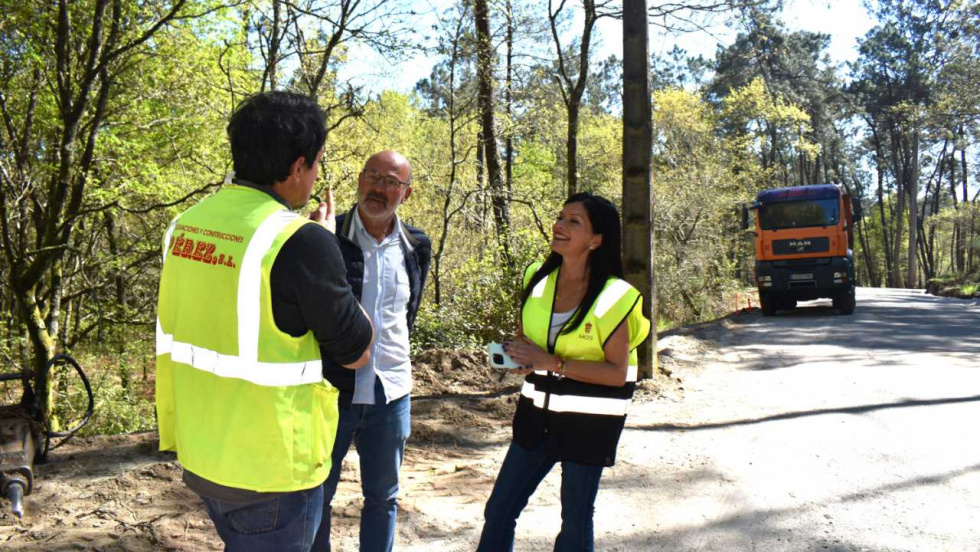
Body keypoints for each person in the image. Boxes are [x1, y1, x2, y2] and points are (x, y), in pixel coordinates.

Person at [155, 91, 375, 551]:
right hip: (272, 471)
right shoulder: (302, 242)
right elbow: (357, 350)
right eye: (316, 164)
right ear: (297, 167)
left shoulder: (185, 226)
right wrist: (325, 246)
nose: (316, 176)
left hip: (204, 455)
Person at [476, 192, 651, 552]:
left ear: (597, 240)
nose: (560, 225)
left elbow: (618, 373)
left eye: (574, 221)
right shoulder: (535, 278)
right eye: (560, 217)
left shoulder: (617, 296)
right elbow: (528, 341)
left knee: (574, 521)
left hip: (589, 424)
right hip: (534, 418)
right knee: (499, 510)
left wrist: (553, 364)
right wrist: (521, 357)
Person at [311, 151, 431, 552]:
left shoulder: (417, 245)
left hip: (391, 392)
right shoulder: (328, 234)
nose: (379, 188)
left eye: (391, 182)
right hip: (332, 391)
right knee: (317, 495)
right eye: (372, 176)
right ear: (360, 181)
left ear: (406, 193)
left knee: (383, 498)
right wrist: (318, 243)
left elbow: (406, 314)